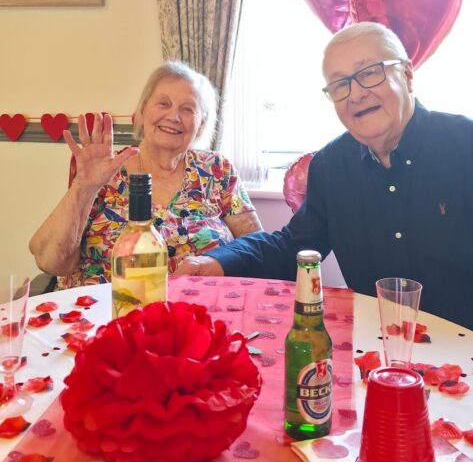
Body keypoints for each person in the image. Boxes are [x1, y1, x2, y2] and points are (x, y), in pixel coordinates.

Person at [175, 22, 473, 329]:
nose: (356, 94)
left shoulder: (465, 144)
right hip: (375, 341)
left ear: (407, 75)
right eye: (340, 84)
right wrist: (218, 260)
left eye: (370, 73)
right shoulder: (331, 166)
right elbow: (292, 247)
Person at [29, 60, 262, 287]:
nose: (173, 116)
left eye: (187, 109)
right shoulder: (107, 169)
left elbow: (255, 249)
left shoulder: (217, 170)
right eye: (163, 103)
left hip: (198, 307)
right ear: (142, 111)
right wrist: (84, 187)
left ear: (201, 124)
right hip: (106, 307)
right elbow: (51, 262)